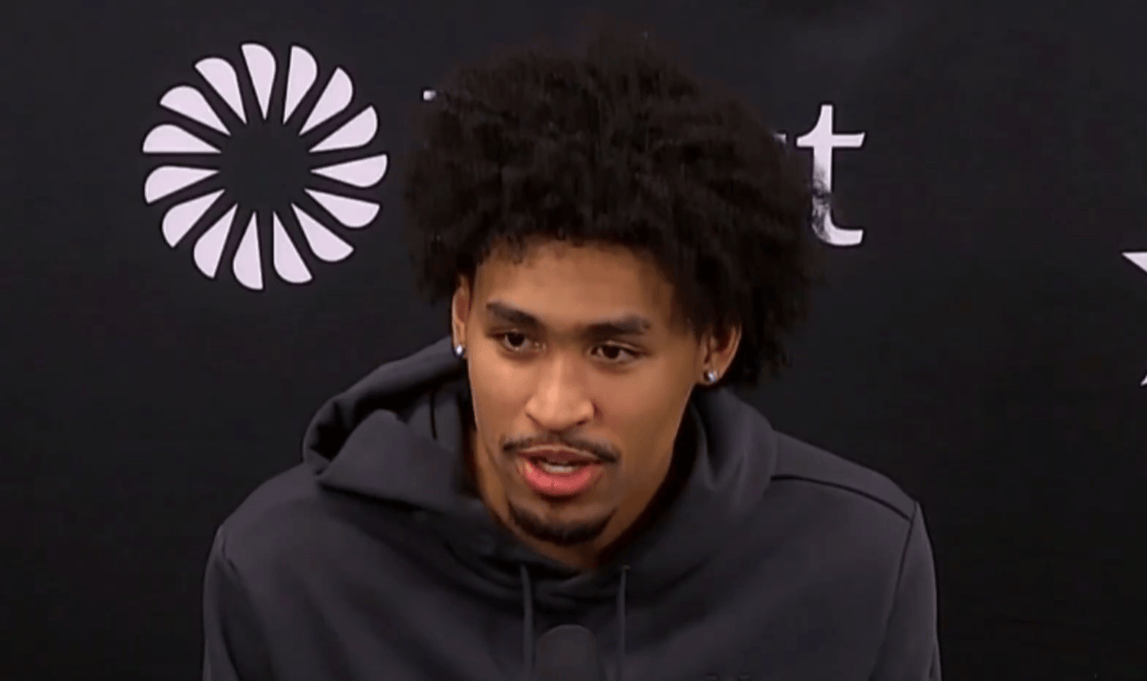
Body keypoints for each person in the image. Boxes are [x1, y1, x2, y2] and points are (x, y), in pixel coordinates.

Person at [201, 26, 941, 681]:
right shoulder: (283, 568)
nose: (555, 407)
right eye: (516, 341)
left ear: (714, 343)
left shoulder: (860, 564)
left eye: (613, 350)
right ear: (461, 315)